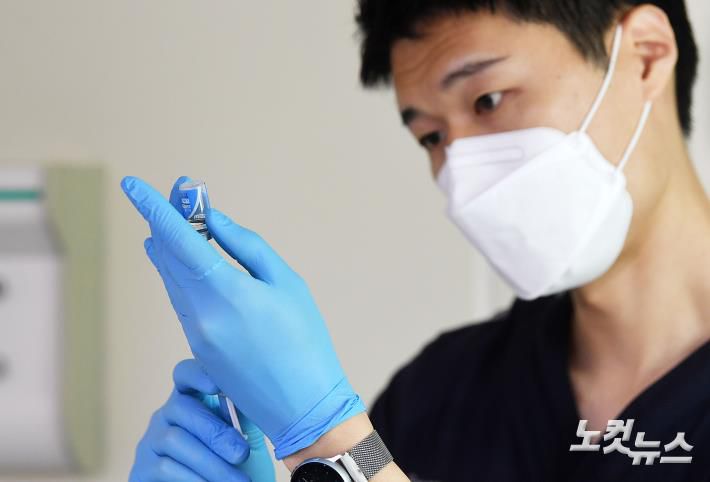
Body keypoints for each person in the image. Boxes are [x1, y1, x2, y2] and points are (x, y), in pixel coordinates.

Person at [126, 0, 710, 480]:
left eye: (487, 100)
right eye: (432, 137)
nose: (462, 172)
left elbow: (356, 458)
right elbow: (379, 466)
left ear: (645, 56)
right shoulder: (441, 392)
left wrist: (329, 442)